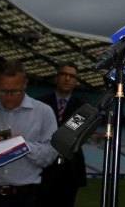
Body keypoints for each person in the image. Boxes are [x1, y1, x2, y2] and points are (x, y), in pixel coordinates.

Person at [0, 60, 58, 207]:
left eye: (15, 91)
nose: (9, 96)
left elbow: (50, 155)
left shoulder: (44, 112)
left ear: (25, 84)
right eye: (3, 91)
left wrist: (24, 146)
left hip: (24, 197)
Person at [36, 62, 87, 207]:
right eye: (64, 74)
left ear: (76, 81)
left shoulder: (83, 107)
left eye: (71, 76)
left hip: (70, 170)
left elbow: (76, 133)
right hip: (44, 168)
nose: (67, 78)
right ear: (56, 78)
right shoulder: (39, 103)